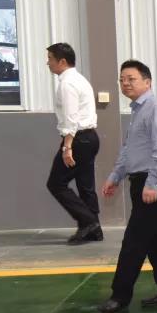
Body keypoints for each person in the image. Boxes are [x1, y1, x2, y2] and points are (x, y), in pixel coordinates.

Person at [97, 60, 157, 313]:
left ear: (147, 82)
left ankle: (120, 295)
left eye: (131, 79)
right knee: (156, 239)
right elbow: (128, 150)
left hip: (152, 182)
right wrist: (115, 176)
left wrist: (152, 183)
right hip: (140, 181)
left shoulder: (156, 108)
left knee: (134, 240)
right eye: (122, 79)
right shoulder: (137, 111)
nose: (125, 84)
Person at [44, 43, 102, 244]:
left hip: (77, 139)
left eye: (50, 59)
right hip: (89, 138)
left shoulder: (67, 83)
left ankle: (88, 222)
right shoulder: (80, 79)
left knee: (56, 184)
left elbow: (71, 118)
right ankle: (95, 230)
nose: (48, 63)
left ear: (62, 61)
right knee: (86, 185)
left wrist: (67, 146)